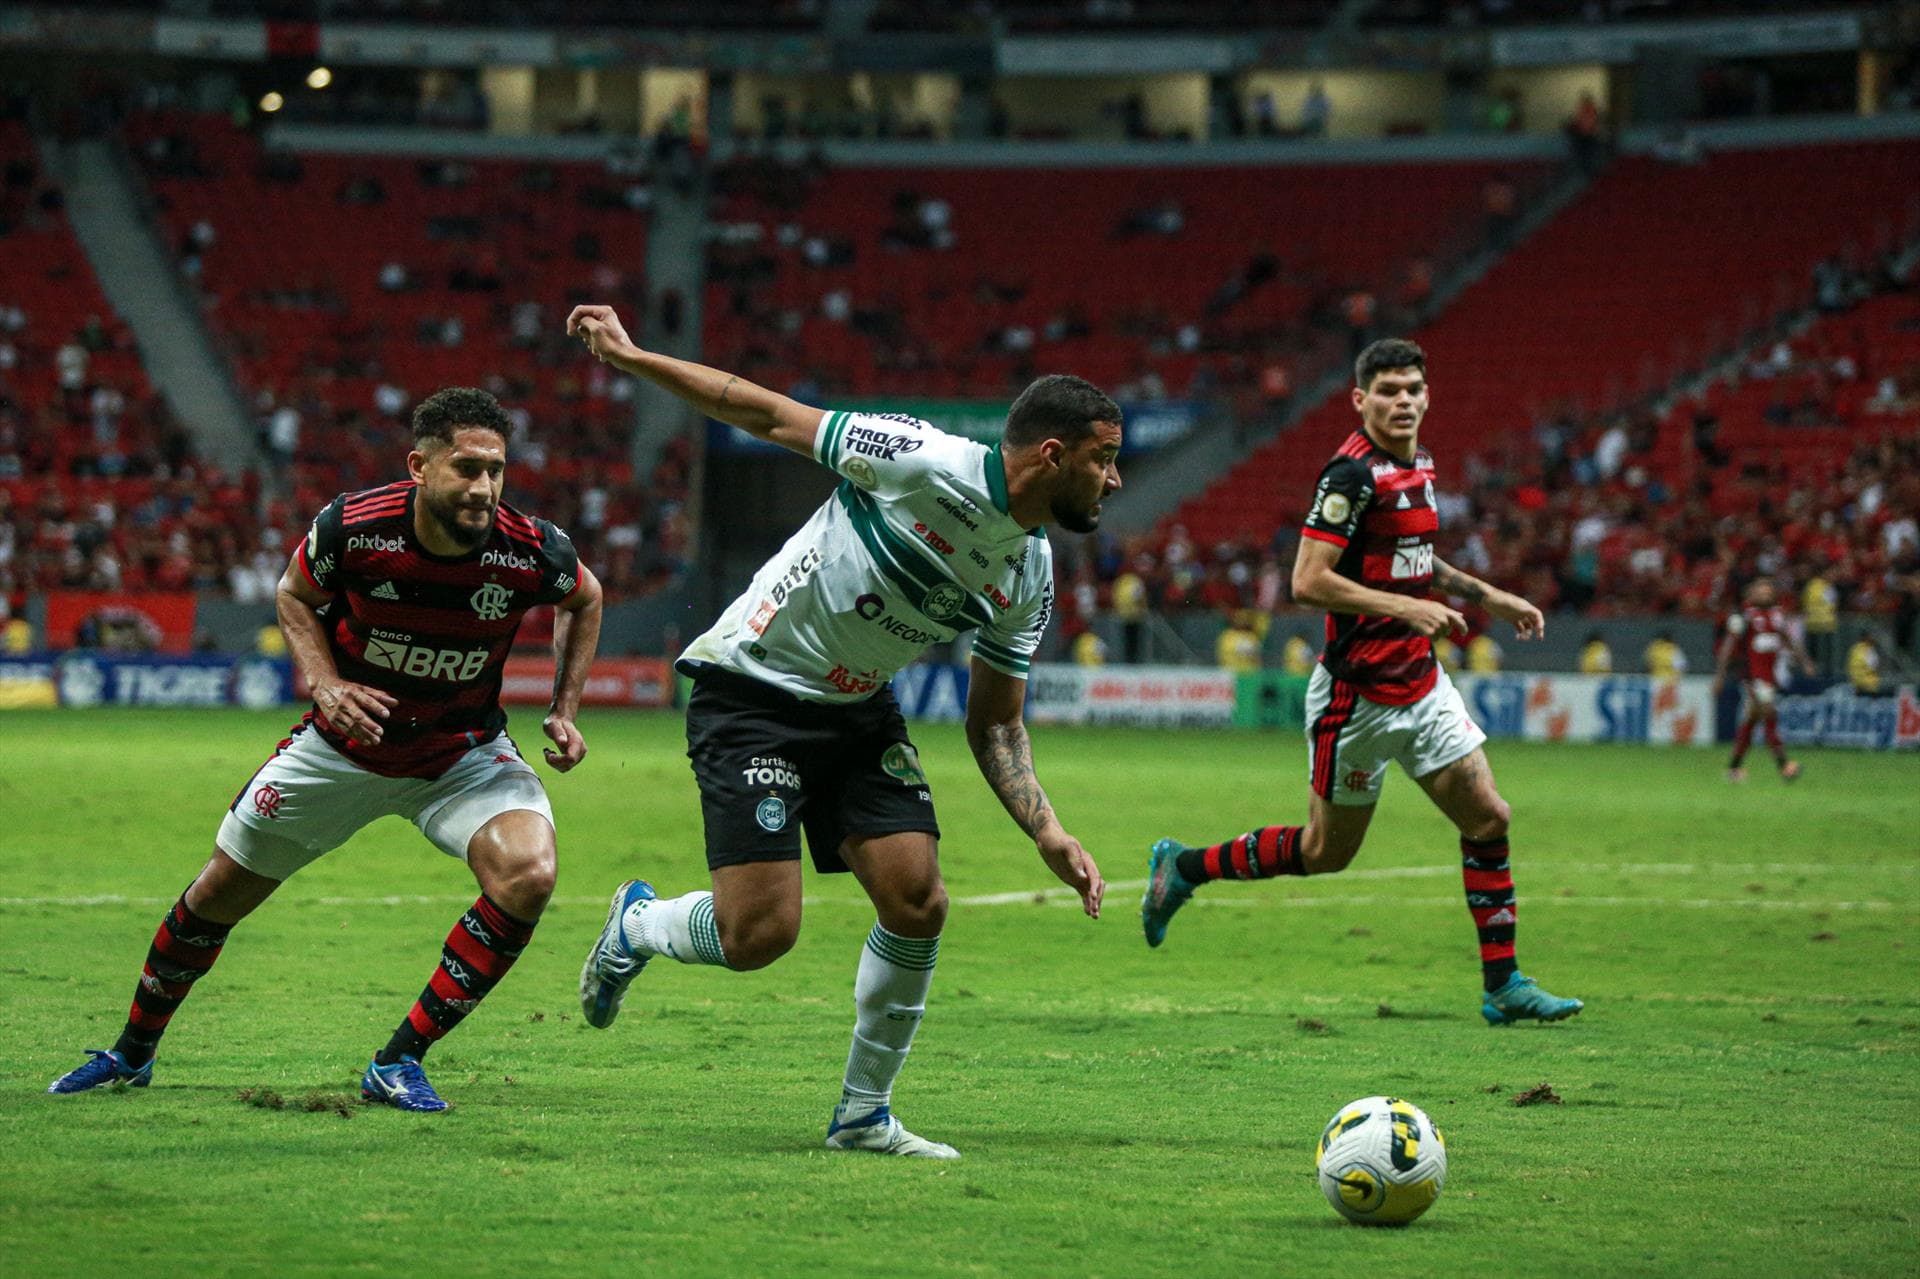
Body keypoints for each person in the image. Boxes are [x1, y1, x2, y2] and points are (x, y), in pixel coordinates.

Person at [566, 303, 1113, 1159]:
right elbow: (767, 412)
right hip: (752, 690)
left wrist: (1046, 827)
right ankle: (637, 924)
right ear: (1053, 453)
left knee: (918, 897)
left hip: (858, 710)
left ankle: (863, 1113)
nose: (1113, 480)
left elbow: (996, 721)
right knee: (760, 936)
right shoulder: (922, 458)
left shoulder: (1029, 571)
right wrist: (634, 359)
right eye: (1103, 459)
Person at [47, 388, 605, 1111]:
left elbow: (584, 598)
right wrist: (326, 682)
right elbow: (293, 594)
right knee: (215, 895)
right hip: (341, 750)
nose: (484, 488)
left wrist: (565, 707)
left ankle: (398, 1061)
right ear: (419, 465)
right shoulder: (355, 528)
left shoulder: (529, 547)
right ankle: (132, 1051)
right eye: (467, 469)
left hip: (460, 755)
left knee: (529, 873)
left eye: (497, 470)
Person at [1140, 339, 1582, 1027]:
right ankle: (1185, 866)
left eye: (1412, 388)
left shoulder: (1420, 463)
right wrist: (1408, 608)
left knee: (1489, 817)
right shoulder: (1348, 476)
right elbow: (1307, 580)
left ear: (1427, 395)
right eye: (1388, 391)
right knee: (1325, 853)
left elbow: (1414, 558)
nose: (1403, 400)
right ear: (1360, 399)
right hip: (1358, 698)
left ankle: (1504, 985)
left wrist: (1489, 595)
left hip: (1423, 683)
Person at [1713, 578, 1815, 783]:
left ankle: (1734, 769)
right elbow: (1727, 647)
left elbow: (1789, 640)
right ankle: (1785, 765)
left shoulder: (1777, 615)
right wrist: (1720, 676)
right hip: (1752, 676)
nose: (1765, 593)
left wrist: (1805, 662)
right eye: (1760, 590)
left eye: (1768, 590)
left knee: (1751, 721)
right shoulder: (1743, 616)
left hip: (1769, 677)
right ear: (1751, 594)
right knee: (1769, 713)